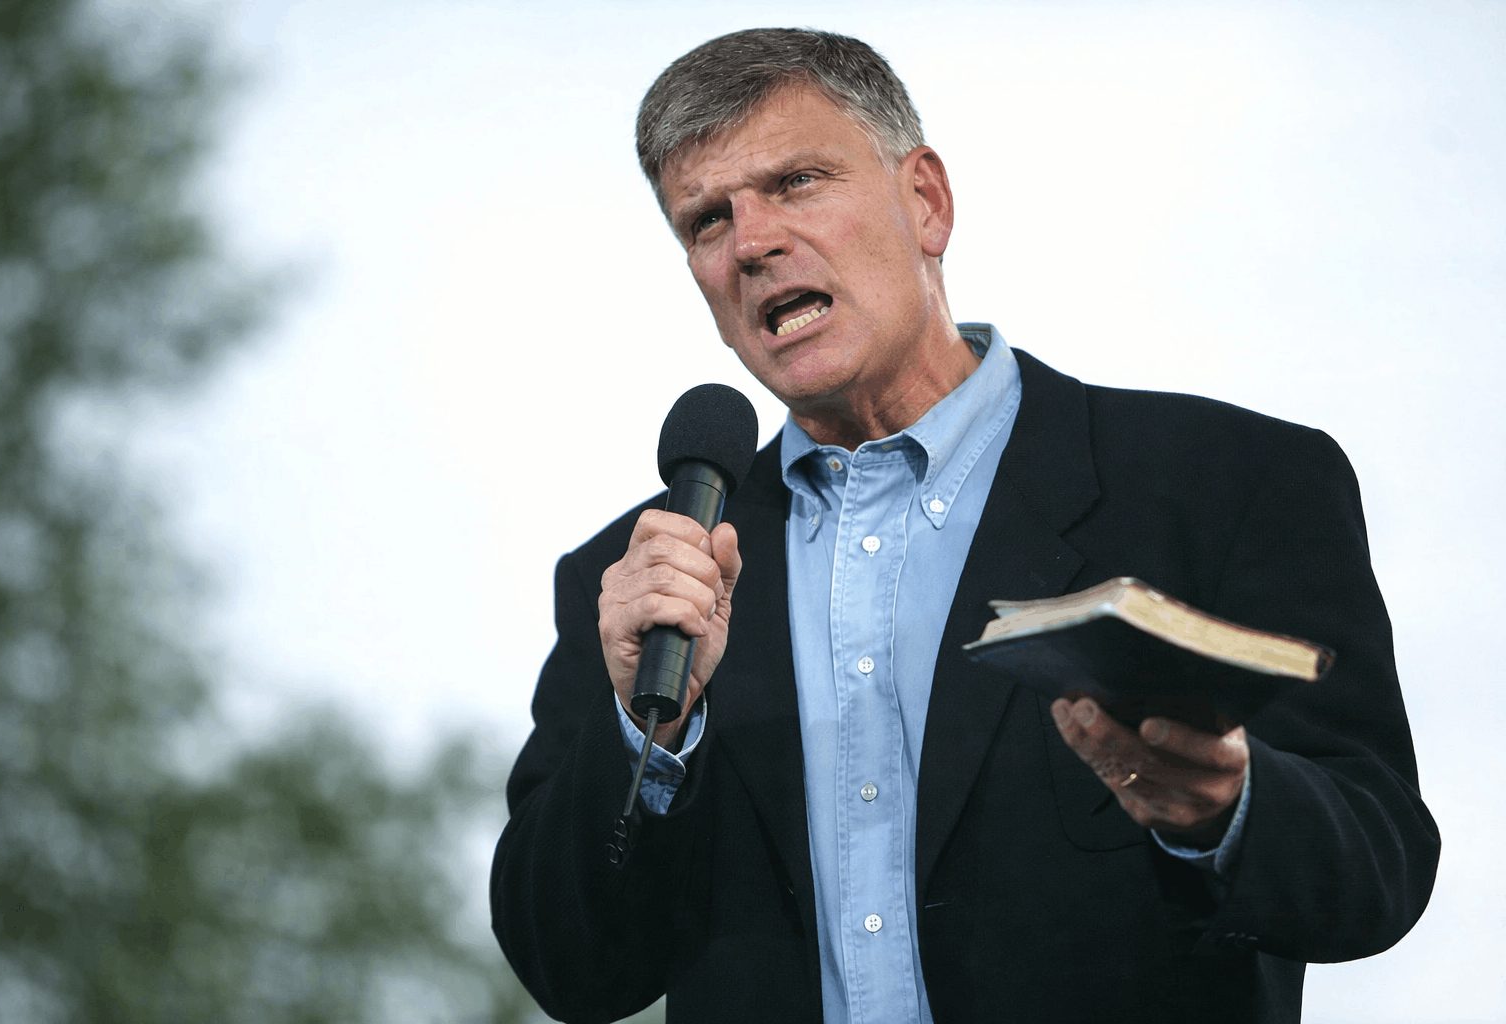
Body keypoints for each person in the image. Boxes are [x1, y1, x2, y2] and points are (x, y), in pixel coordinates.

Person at [490, 28, 1439, 1024]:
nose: (753, 242)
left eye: (798, 182)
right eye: (707, 219)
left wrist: (1224, 809)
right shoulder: (638, 581)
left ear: (926, 201)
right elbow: (572, 969)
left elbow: (1380, 869)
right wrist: (653, 732)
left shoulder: (1226, 484)